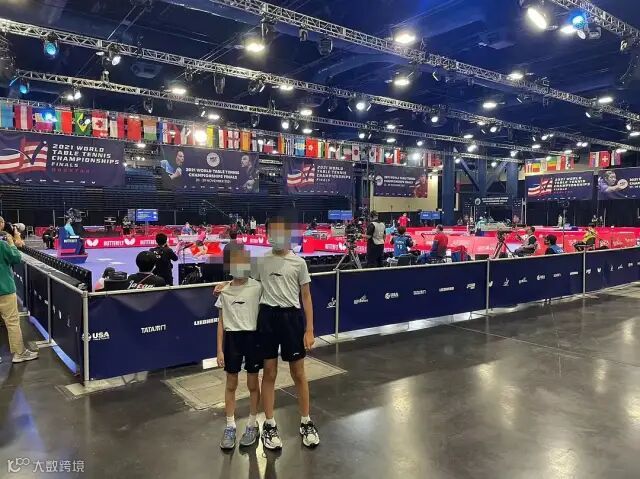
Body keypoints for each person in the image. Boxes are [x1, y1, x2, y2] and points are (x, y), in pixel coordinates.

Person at [249, 215, 319, 449]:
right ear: (268, 234)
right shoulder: (261, 261)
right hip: (267, 318)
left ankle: (306, 421)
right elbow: (251, 289)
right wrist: (226, 286)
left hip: (292, 319)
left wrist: (309, 329)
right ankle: (269, 424)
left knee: (298, 372)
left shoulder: (299, 263)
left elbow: (306, 296)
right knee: (269, 373)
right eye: (273, 232)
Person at [216, 242, 263, 450]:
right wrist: (219, 350)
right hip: (232, 340)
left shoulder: (258, 287)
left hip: (252, 338)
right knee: (231, 384)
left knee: (253, 384)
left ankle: (252, 424)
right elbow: (220, 322)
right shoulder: (224, 291)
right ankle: (230, 425)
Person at [0, 218, 38, 364]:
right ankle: (19, 353)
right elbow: (16, 258)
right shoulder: (2, 244)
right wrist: (11, 243)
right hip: (4, 289)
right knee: (12, 322)